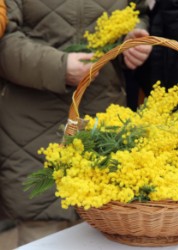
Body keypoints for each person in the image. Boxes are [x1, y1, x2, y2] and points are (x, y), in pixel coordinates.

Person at [0, 0, 151, 246]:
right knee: (43, 233)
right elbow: (4, 42)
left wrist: (131, 41)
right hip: (31, 130)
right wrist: (59, 67)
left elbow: (139, 13)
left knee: (103, 233)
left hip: (101, 122)